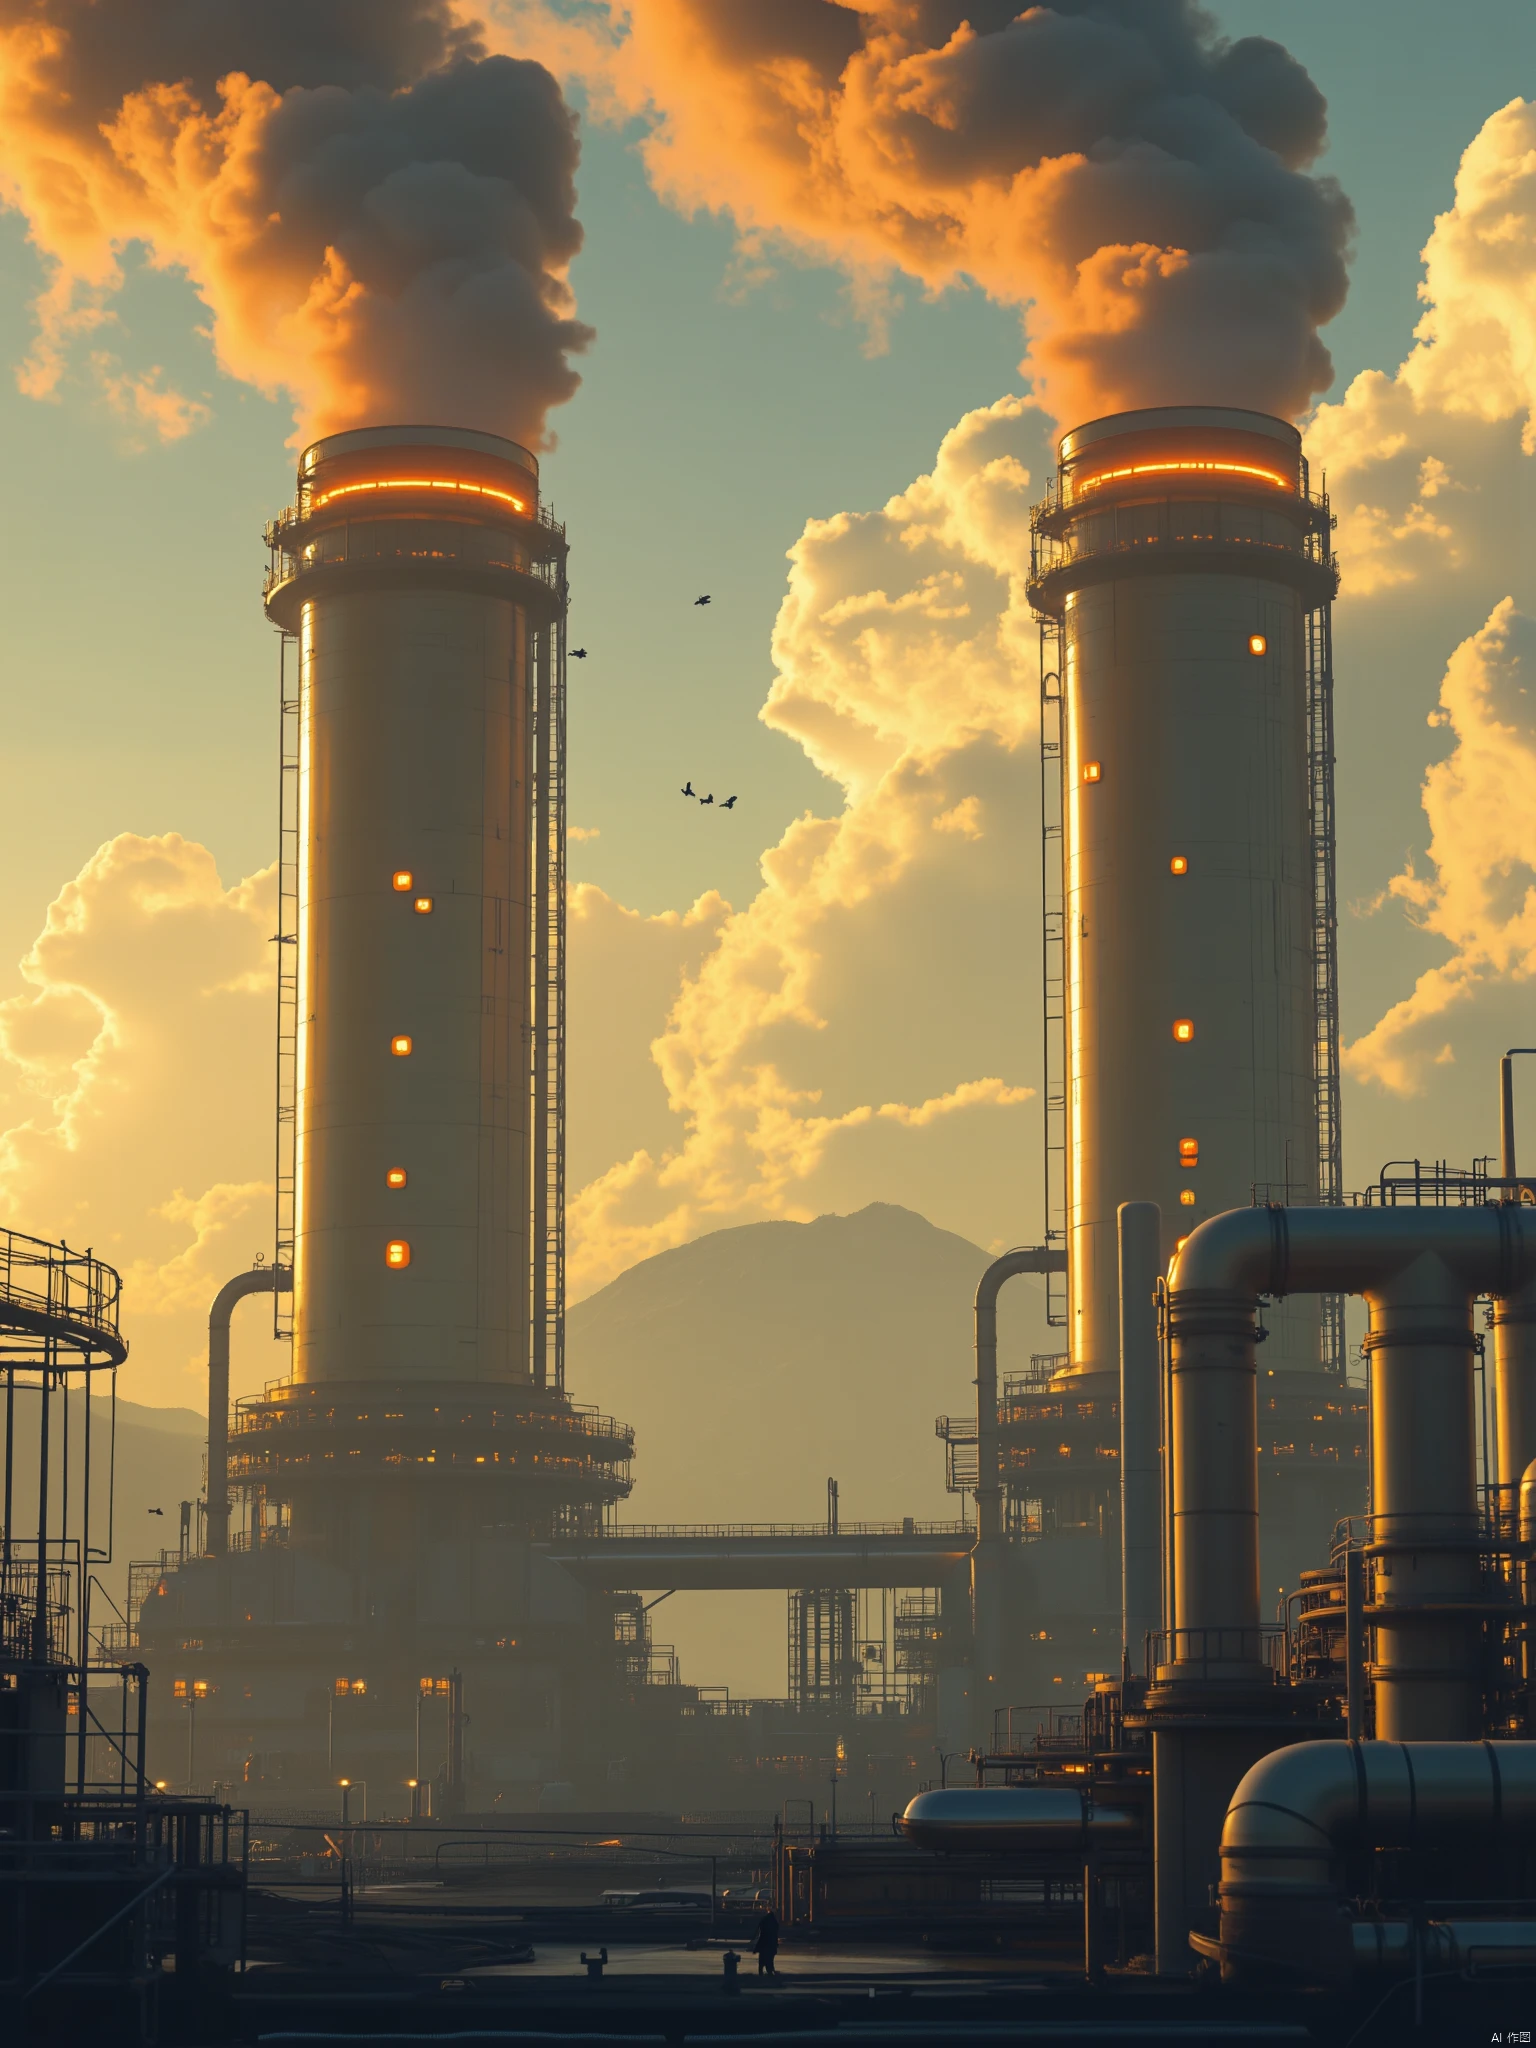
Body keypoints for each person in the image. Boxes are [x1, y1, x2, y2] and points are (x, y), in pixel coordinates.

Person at [750, 1906, 780, 1976]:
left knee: (762, 1961)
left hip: (764, 1944)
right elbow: (775, 1934)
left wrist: (756, 1947)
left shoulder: (765, 1920)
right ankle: (770, 1972)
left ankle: (763, 1974)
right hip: (771, 1944)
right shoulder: (774, 1921)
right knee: (769, 1960)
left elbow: (761, 1934)